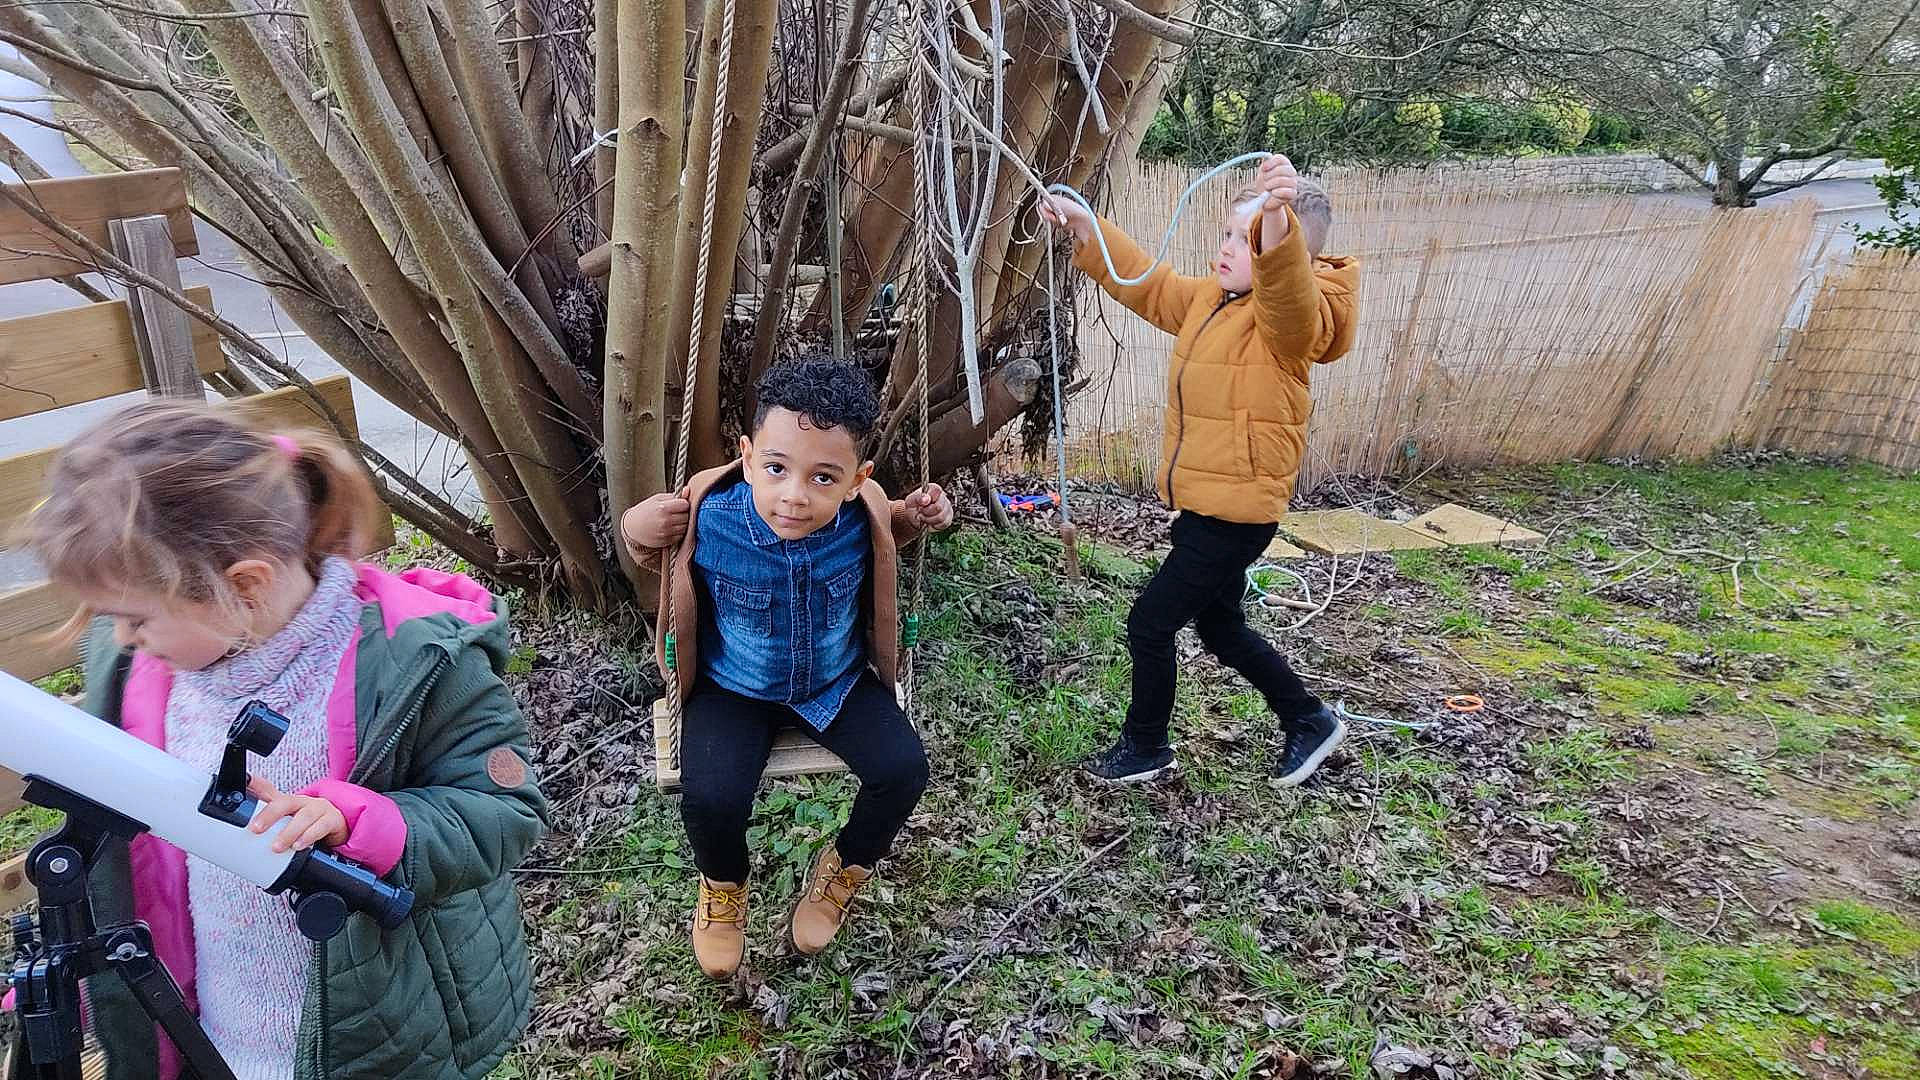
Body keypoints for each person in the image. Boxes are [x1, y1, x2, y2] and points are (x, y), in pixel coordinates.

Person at [17, 401, 548, 1080]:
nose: (119, 638)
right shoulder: (137, 672)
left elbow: (506, 806)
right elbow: (128, 855)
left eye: (132, 618)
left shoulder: (417, 661)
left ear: (243, 587)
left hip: (370, 1026)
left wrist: (368, 824)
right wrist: (85, 974)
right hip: (203, 1020)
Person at [621, 356, 953, 979]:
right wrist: (639, 525)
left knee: (904, 771)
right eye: (777, 469)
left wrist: (925, 513)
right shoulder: (710, 514)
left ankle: (843, 868)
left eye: (824, 477)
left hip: (834, 684)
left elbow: (898, 527)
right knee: (712, 796)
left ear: (857, 479)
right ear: (748, 458)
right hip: (733, 688)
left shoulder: (861, 514)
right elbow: (647, 550)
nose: (795, 495)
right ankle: (723, 891)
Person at [1041, 152, 1362, 787]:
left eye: (1247, 243)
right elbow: (1151, 284)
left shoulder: (1291, 322)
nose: (1227, 251)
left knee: (1150, 622)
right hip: (1208, 504)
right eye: (1225, 234)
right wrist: (1088, 228)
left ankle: (1146, 747)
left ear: (1284, 253)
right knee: (1219, 627)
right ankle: (1308, 719)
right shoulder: (1214, 299)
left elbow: (1290, 298)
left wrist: (1276, 227)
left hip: (1237, 512)